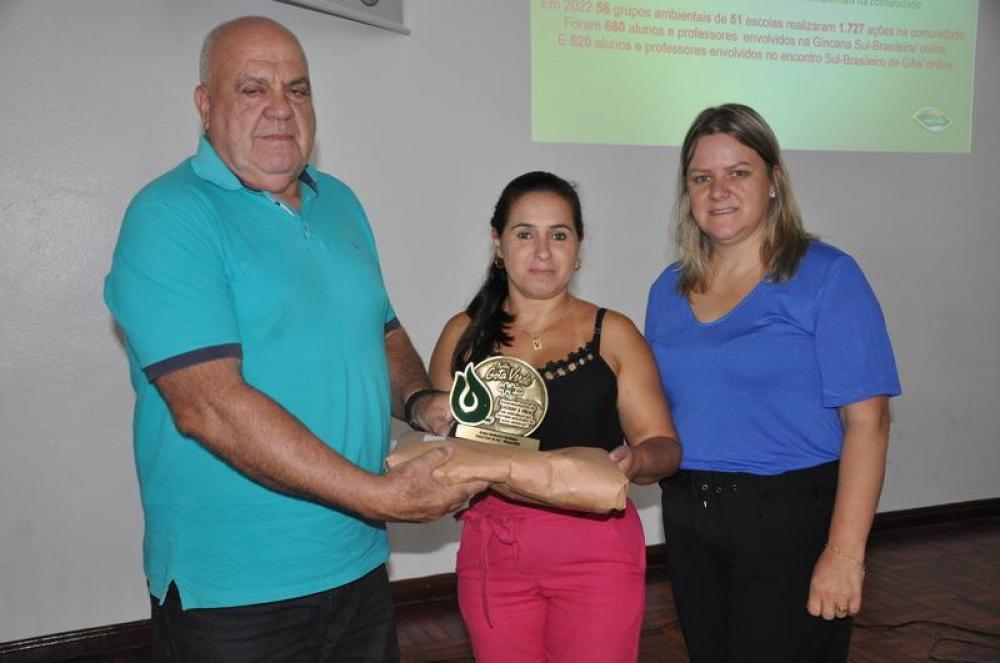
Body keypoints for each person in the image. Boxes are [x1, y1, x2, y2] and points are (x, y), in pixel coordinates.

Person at [103, 16, 486, 662]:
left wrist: (421, 398)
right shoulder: (169, 215)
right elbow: (210, 405)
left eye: (298, 89)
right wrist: (381, 495)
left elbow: (382, 329)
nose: (281, 108)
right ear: (205, 103)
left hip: (358, 565)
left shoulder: (340, 202)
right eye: (253, 89)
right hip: (234, 594)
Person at [645, 103, 901, 663]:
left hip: (789, 520)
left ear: (774, 182)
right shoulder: (666, 289)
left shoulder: (828, 275)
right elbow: (658, 408)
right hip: (689, 516)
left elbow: (869, 424)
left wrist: (844, 553)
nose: (719, 190)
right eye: (701, 177)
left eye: (739, 172)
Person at [428, 171, 682, 662]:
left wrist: (636, 460)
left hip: (597, 550)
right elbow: (439, 446)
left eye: (558, 235)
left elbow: (666, 447)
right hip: (492, 554)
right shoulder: (463, 333)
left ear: (579, 248)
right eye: (525, 234)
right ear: (497, 243)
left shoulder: (614, 333)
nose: (542, 252)